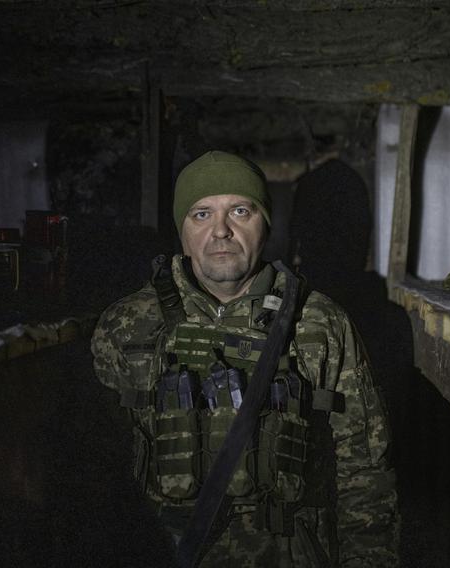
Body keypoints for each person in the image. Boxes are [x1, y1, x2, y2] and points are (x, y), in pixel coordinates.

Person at [91, 150, 399, 566]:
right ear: (181, 230)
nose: (221, 231)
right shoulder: (127, 326)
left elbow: (364, 473)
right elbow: (96, 476)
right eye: (201, 214)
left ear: (266, 224)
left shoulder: (320, 322)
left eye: (240, 210)